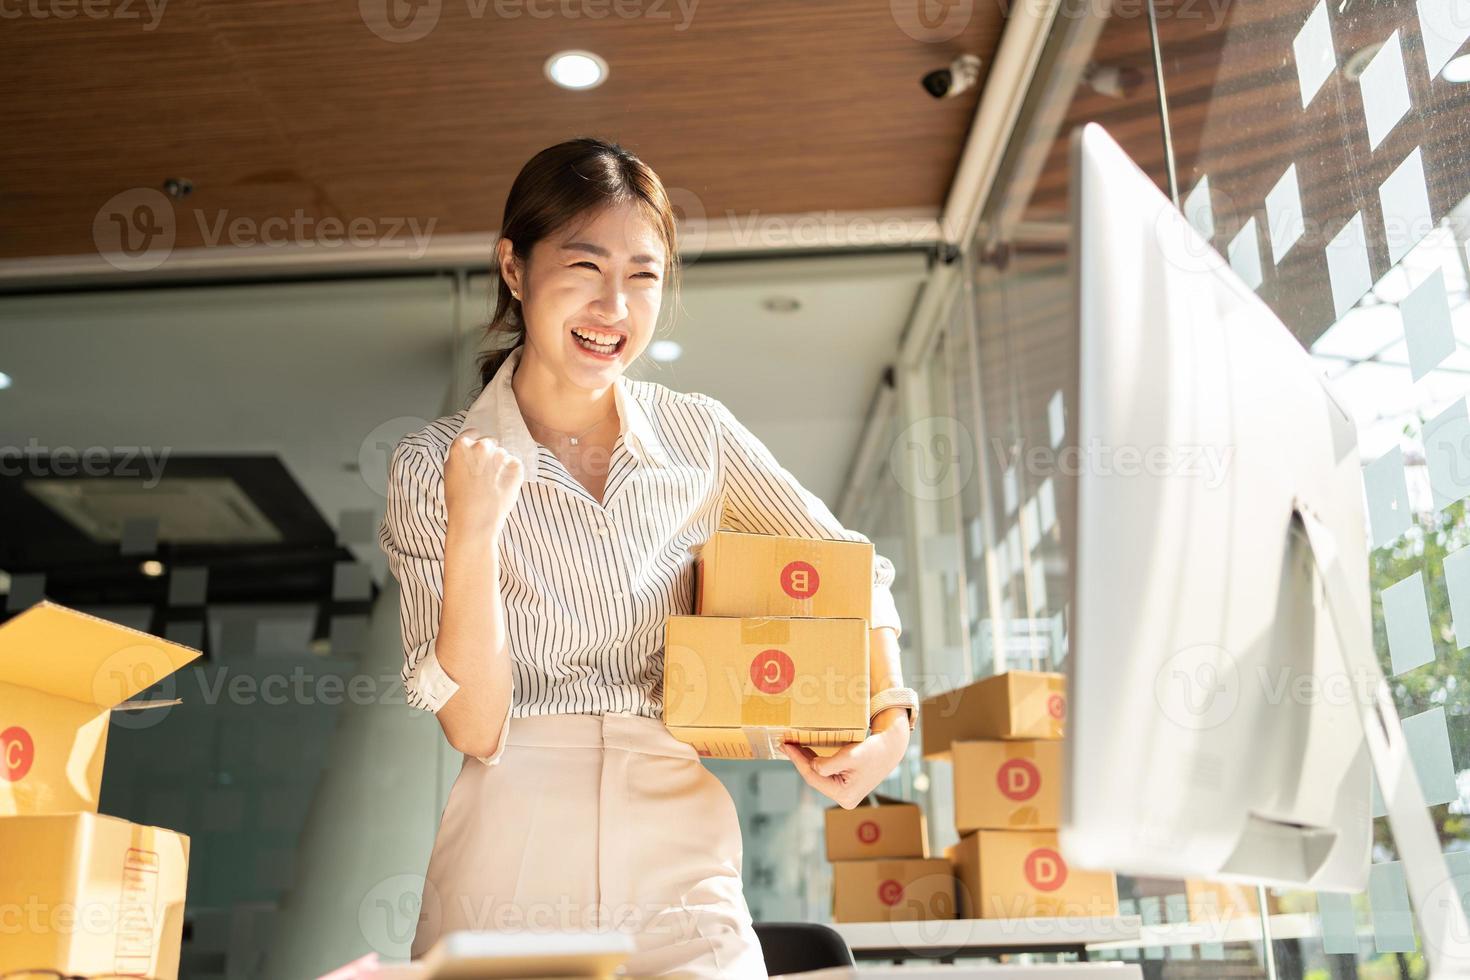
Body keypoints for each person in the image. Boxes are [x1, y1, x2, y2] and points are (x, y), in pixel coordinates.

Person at [377, 137, 917, 978]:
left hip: (680, 851)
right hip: (508, 857)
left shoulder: (696, 434)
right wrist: (476, 527)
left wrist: (891, 718)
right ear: (513, 269)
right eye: (586, 266)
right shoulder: (433, 466)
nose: (613, 307)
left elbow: (849, 564)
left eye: (644, 274)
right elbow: (475, 726)